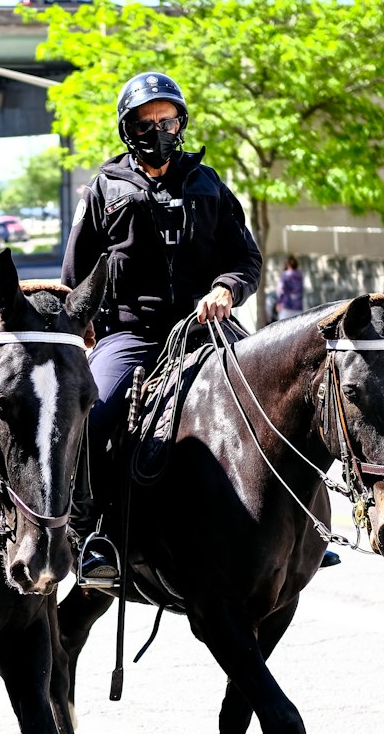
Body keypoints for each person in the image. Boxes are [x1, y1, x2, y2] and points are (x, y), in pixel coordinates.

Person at [61, 70, 262, 588]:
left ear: (181, 123)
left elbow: (244, 257)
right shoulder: (104, 188)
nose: (159, 130)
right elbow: (76, 273)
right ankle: (90, 535)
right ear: (130, 129)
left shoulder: (208, 183)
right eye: (146, 122)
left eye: (167, 120)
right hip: (130, 335)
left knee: (277, 394)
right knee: (93, 416)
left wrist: (226, 289)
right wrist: (82, 326)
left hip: (206, 328)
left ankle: (304, 528)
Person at [275, 254, 304, 320]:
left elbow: (281, 290)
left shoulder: (285, 275)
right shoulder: (300, 275)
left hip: (286, 306)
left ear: (287, 264)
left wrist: (279, 303)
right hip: (298, 307)